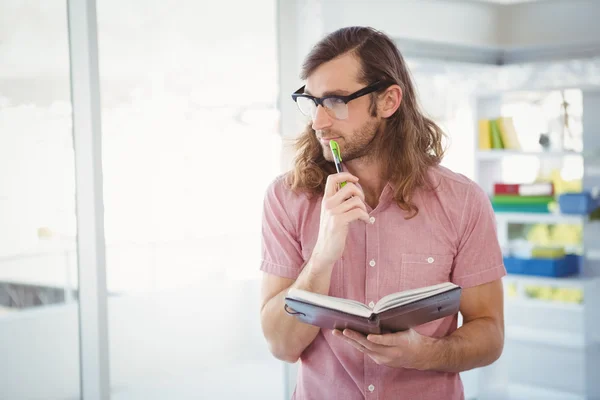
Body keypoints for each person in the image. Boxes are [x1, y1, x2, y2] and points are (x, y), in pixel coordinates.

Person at [259, 26, 506, 400]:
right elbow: (281, 345)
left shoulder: (462, 201)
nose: (318, 122)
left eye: (337, 102)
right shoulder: (286, 198)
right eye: (312, 102)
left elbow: (489, 334)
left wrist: (426, 354)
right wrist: (322, 259)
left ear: (388, 101)